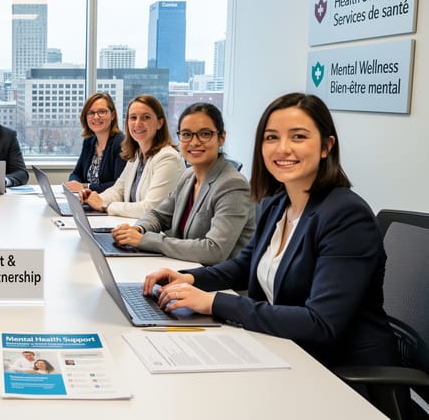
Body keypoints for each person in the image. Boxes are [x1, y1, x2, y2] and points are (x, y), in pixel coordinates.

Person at [143, 93, 396, 373]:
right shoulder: (277, 204)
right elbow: (243, 265)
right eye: (271, 137)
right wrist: (189, 277)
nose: (282, 149)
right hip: (282, 349)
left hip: (338, 371)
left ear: (326, 146)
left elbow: (321, 323)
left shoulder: (346, 216)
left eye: (298, 137)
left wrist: (214, 302)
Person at [111, 102, 255, 264]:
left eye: (205, 134)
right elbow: (159, 215)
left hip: (218, 283)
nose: (194, 142)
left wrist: (145, 240)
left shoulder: (233, 185)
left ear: (221, 138)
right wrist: (138, 229)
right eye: (186, 134)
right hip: (185, 269)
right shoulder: (189, 175)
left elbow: (214, 250)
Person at [80, 95, 184, 218]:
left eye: (146, 117)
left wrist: (106, 206)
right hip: (133, 227)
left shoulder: (168, 158)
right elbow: (119, 190)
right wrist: (93, 198)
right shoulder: (137, 155)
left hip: (158, 234)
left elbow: (150, 208)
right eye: (133, 118)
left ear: (159, 123)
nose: (138, 123)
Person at [64, 92, 127, 193]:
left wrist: (86, 187)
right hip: (86, 200)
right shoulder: (89, 142)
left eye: (102, 112)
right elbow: (76, 174)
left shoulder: (120, 143)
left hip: (108, 204)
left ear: (113, 115)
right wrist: (74, 185)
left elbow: (119, 185)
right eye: (91, 113)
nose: (96, 117)